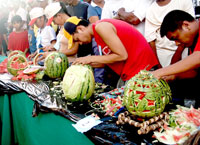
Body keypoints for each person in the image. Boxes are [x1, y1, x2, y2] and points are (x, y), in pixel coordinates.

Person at [63, 16, 159, 87]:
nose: (79, 43)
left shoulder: (101, 27)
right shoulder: (97, 35)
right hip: (132, 70)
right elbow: (110, 60)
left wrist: (89, 58)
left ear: (80, 29)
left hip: (143, 69)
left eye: (77, 39)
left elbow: (121, 55)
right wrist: (86, 64)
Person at [151, 10, 200, 105]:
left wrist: (159, 72)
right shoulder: (193, 41)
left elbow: (198, 58)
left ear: (186, 25)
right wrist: (174, 76)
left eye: (176, 38)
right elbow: (195, 71)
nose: (177, 43)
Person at [145, 0, 195, 68]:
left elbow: (189, 29)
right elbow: (150, 39)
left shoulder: (184, 1)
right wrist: (158, 66)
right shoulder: (151, 9)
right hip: (161, 53)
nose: (176, 43)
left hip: (182, 50)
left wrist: (178, 54)